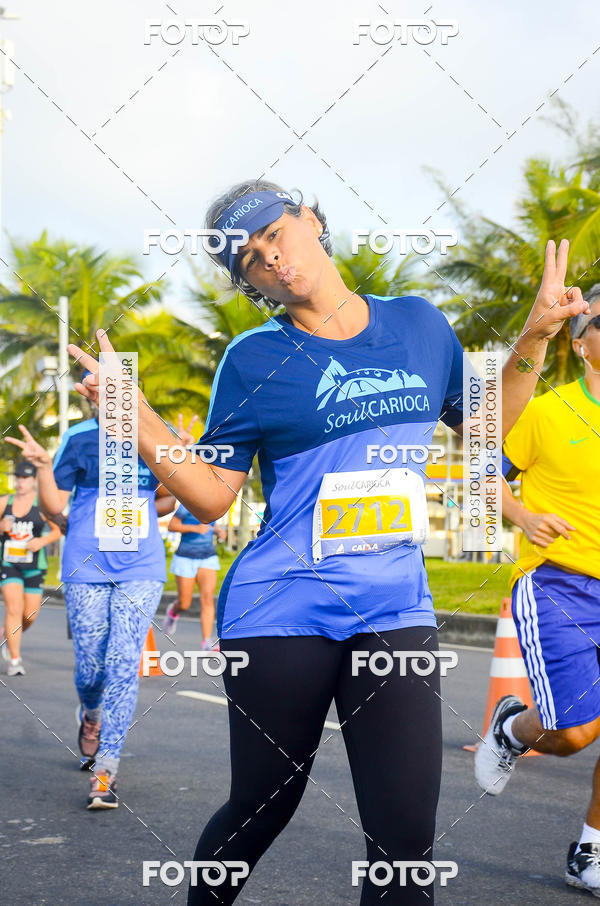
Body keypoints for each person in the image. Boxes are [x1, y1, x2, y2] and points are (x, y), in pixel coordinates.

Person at [67, 181, 586, 904]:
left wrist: (534, 334)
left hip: (394, 609)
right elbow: (214, 493)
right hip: (281, 614)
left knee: (406, 845)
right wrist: (139, 416)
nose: (270, 258)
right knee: (261, 809)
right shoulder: (252, 361)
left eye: (273, 234)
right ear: (248, 285)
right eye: (249, 259)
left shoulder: (418, 325)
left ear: (310, 219)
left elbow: (483, 435)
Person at [6, 393, 200, 810]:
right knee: (91, 666)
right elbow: (55, 506)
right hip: (87, 564)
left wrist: (180, 459)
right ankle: (90, 713)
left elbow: (166, 498)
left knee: (123, 661)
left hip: (142, 567)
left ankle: (106, 767)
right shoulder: (78, 438)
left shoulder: (157, 436)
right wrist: (42, 467)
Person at [474, 283, 600, 896]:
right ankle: (512, 729)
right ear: (581, 343)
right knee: (576, 734)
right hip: (561, 582)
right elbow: (478, 472)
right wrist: (521, 516)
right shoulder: (549, 411)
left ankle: (591, 850)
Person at [0, 459, 61, 676]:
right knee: (13, 609)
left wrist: (42, 542)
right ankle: (15, 660)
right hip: (9, 564)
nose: (20, 482)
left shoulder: (42, 505)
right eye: (18, 477)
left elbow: (58, 529)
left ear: (34, 481)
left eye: (25, 478)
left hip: (35, 565)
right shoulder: (4, 502)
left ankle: (7, 634)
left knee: (29, 616)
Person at [163, 504, 227, 649]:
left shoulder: (213, 503)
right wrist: (195, 529)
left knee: (208, 599)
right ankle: (173, 610)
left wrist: (218, 531)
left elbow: (210, 525)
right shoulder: (186, 505)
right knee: (184, 603)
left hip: (207, 557)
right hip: (185, 557)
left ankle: (206, 641)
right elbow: (172, 525)